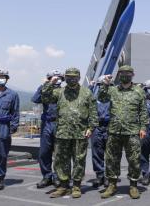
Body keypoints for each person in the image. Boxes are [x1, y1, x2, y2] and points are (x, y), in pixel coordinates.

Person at [42, 67, 97, 199]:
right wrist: (49, 83)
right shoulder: (59, 92)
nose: (71, 79)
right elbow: (45, 98)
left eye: (74, 77)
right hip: (62, 132)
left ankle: (76, 185)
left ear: (78, 78)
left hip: (80, 132)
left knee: (79, 160)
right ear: (65, 78)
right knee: (61, 160)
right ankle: (63, 186)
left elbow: (93, 111)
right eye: (69, 77)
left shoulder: (86, 93)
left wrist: (91, 127)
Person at [98, 65, 149, 199]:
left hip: (132, 131)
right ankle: (112, 185)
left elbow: (143, 111)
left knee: (134, 160)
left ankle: (133, 185)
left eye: (128, 73)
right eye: (122, 73)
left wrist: (143, 127)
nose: (125, 75)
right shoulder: (113, 90)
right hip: (114, 131)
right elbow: (102, 98)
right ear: (119, 75)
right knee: (111, 159)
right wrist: (105, 84)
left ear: (133, 75)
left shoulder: (139, 91)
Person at [32, 70, 64, 189]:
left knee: (59, 153)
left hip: (59, 123)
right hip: (47, 123)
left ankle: (57, 176)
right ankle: (46, 176)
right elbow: (35, 99)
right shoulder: (45, 90)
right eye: (53, 78)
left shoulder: (64, 91)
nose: (56, 80)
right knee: (44, 152)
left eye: (59, 78)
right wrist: (44, 85)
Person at [89, 77, 111, 188]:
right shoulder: (92, 95)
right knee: (97, 152)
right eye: (99, 85)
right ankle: (99, 175)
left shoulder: (113, 94)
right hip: (96, 126)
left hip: (109, 126)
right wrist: (90, 86)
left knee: (110, 154)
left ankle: (108, 176)